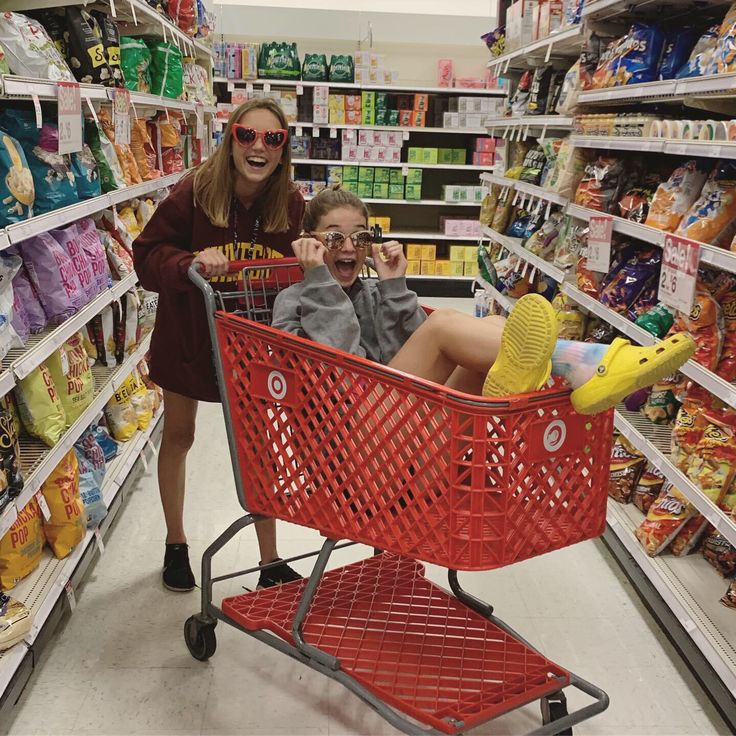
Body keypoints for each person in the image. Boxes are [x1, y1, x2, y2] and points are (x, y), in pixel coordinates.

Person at [272, 188, 696, 414]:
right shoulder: (293, 301)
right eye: (333, 237)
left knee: (493, 332)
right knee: (445, 325)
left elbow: (399, 354)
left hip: (398, 429)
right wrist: (320, 284)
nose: (350, 246)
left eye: (361, 236)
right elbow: (342, 372)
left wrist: (394, 288)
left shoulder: (370, 290)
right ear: (308, 241)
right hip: (347, 438)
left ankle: (578, 365)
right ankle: (581, 363)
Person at [133, 98, 305, 592]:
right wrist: (188, 262)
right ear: (231, 138)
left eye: (272, 139)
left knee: (258, 449)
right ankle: (175, 543)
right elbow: (146, 257)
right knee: (180, 436)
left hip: (250, 347)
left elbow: (303, 269)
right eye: (247, 135)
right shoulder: (194, 191)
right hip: (188, 337)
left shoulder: (289, 205)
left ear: (283, 148)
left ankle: (270, 559)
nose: (258, 147)